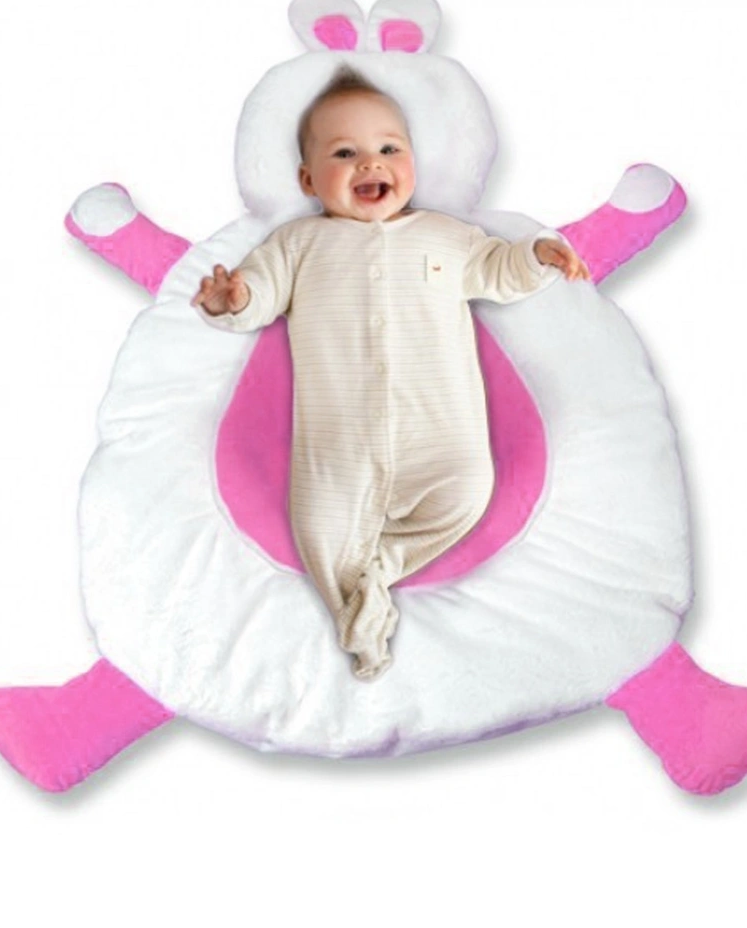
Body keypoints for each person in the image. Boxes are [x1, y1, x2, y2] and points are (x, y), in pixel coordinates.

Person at [192, 67, 589, 680]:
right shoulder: (297, 243)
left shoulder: (444, 236)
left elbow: (496, 269)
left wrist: (536, 255)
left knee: (468, 492)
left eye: (388, 148)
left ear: (413, 163)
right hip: (338, 441)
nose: (370, 163)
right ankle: (357, 614)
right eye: (344, 153)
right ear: (307, 180)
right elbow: (260, 292)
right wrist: (233, 299)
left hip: (440, 433)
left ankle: (381, 569)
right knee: (318, 528)